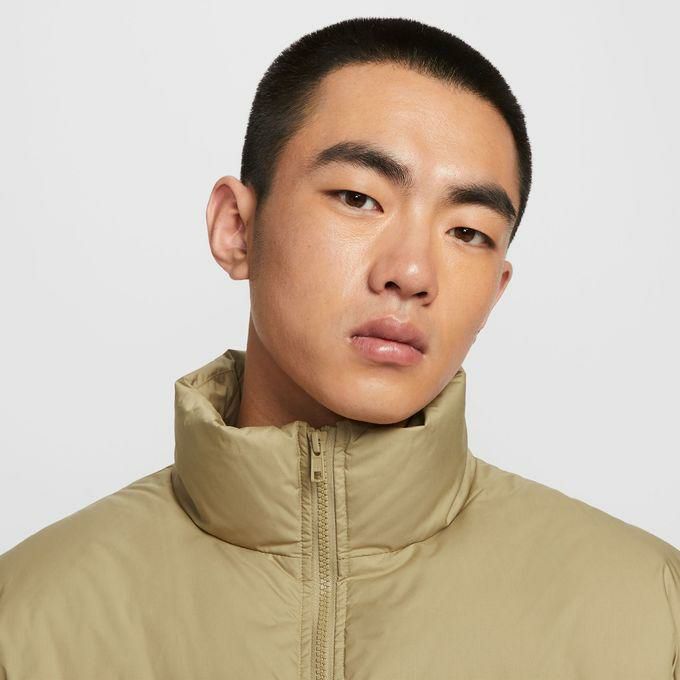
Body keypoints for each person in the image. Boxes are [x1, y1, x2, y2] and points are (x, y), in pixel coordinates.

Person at [1, 15, 678, 680]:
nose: (411, 272)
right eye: (358, 198)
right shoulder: (26, 619)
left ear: (496, 291)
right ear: (236, 229)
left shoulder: (651, 616)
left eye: (468, 232)